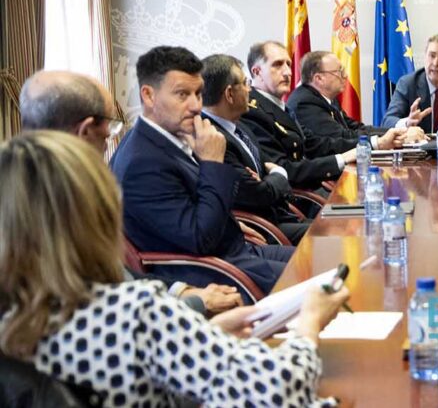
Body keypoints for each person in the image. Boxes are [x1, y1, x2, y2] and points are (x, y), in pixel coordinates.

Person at [0, 130, 350, 405]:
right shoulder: (133, 314)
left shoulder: (14, 323)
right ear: (98, 210)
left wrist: (205, 337)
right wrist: (310, 322)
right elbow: (278, 390)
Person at [19, 70, 242, 314]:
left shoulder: (41, 185)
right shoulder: (53, 208)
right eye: (109, 128)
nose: (108, 142)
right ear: (84, 132)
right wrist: (197, 303)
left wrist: (180, 291)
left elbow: (119, 276)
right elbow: (103, 312)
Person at [110, 46, 295, 294]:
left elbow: (195, 209)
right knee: (319, 277)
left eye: (198, 94)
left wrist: (233, 222)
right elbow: (199, 238)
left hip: (237, 249)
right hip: (213, 272)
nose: (196, 106)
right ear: (148, 95)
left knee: (320, 258)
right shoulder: (141, 162)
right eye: (182, 94)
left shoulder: (169, 138)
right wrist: (212, 164)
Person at [200, 54, 311, 245]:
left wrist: (270, 176)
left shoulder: (241, 127)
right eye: (245, 83)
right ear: (229, 94)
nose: (249, 89)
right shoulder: (213, 139)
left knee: (339, 225)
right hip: (261, 230)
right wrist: (278, 173)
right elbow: (259, 193)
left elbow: (267, 170)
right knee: (333, 234)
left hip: (281, 215)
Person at [242, 41, 358, 190]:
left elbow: (314, 143)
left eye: (288, 64)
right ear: (257, 72)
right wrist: (341, 159)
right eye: (277, 65)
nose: (288, 72)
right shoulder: (252, 111)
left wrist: (371, 145)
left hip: (311, 186)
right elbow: (284, 169)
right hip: (295, 198)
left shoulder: (279, 106)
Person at [287, 50, 413, 144]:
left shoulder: (328, 98)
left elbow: (357, 127)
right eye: (339, 71)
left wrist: (398, 132)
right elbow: (341, 136)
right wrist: (391, 138)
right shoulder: (304, 103)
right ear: (319, 78)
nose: (346, 76)